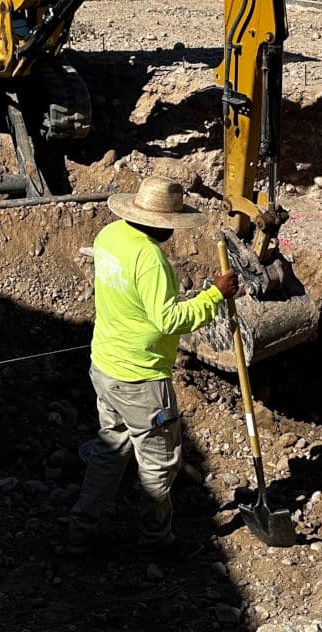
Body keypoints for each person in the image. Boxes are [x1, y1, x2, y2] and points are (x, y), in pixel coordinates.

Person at [67, 175, 239, 560]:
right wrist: (215, 295)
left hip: (105, 365)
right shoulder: (151, 259)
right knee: (160, 463)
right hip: (141, 377)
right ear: (163, 223)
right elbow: (168, 320)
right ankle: (156, 540)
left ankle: (81, 531)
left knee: (109, 448)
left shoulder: (110, 236)